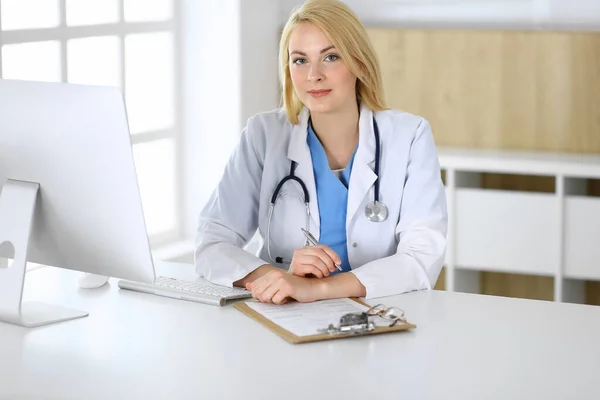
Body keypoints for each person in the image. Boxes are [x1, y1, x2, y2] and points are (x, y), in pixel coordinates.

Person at [194, 0, 447, 305]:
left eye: (330, 57)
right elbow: (212, 241)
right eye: (300, 60)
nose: (314, 75)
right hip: (286, 318)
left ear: (360, 64)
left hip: (382, 315)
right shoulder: (264, 135)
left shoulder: (409, 136)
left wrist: (317, 289)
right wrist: (274, 276)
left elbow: (421, 258)